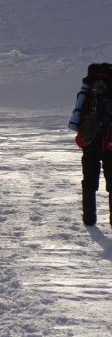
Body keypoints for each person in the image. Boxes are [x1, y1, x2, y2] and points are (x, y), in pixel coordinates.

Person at [73, 63, 112, 226]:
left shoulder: (87, 89)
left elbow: (78, 113)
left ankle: (89, 219)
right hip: (110, 140)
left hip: (90, 141)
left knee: (89, 181)